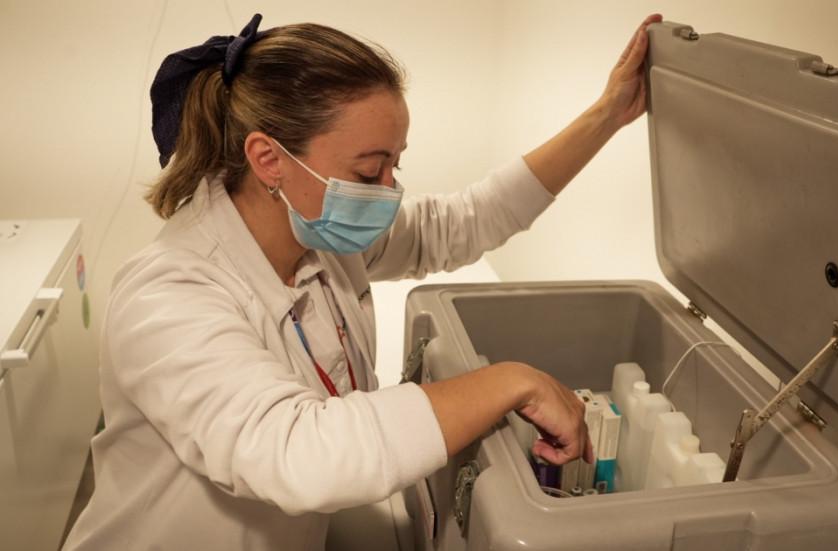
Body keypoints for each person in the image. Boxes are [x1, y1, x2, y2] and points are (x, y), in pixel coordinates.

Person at [63, 12, 662, 551]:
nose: (388, 191)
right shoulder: (167, 297)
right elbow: (298, 453)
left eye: (394, 165)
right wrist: (511, 381)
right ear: (269, 159)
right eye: (369, 169)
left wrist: (607, 114)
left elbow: (462, 221)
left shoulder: (317, 235)